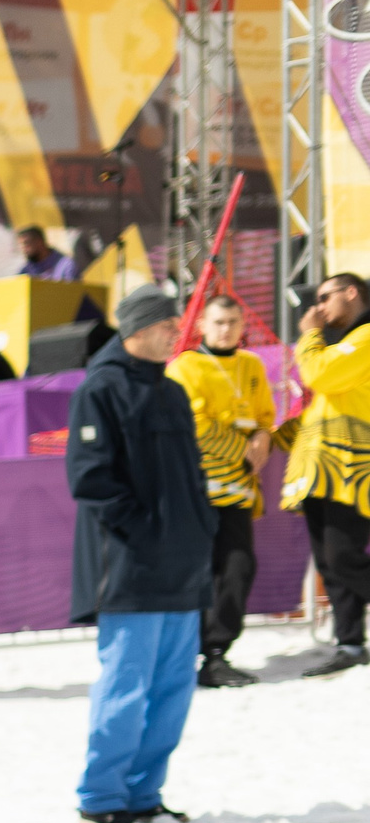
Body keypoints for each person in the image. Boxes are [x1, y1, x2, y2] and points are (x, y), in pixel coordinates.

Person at [67, 285, 216, 823]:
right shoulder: (99, 389)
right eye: (169, 325)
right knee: (126, 685)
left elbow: (191, 477)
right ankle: (102, 797)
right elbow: (89, 479)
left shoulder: (172, 391)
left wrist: (201, 528)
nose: (178, 333)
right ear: (139, 328)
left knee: (174, 690)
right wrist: (144, 530)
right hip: (130, 566)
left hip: (182, 565)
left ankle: (144, 793)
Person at [165, 294, 281, 687]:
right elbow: (193, 422)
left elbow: (264, 416)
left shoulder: (252, 364)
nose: (226, 329)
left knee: (238, 567)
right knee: (197, 571)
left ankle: (216, 653)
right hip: (196, 490)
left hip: (239, 490)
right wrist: (243, 449)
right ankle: (190, 653)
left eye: (233, 322)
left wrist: (263, 437)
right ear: (201, 325)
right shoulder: (185, 366)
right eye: (218, 322)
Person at [285, 271, 370, 676]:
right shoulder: (342, 343)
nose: (317, 307)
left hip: (353, 466)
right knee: (330, 563)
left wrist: (309, 336)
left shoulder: (365, 337)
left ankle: (351, 641)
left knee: (343, 556)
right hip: (322, 467)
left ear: (351, 293)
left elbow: (319, 374)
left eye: (324, 297)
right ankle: (350, 643)